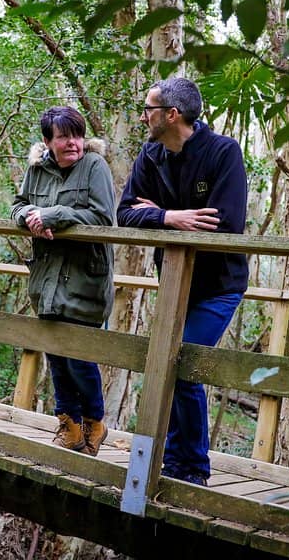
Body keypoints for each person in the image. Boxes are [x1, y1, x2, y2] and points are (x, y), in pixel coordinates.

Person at [117, 77, 248, 485]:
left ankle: (192, 468)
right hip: (175, 282)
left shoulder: (223, 152)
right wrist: (170, 217)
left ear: (171, 115)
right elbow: (125, 212)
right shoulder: (150, 154)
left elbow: (223, 223)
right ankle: (172, 460)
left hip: (219, 285)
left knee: (183, 362)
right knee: (167, 363)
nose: (143, 116)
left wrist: (163, 211)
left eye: (149, 109)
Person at [11, 106, 115, 457]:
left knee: (80, 359)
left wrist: (54, 215)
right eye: (63, 137)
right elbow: (18, 205)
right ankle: (69, 427)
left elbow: (103, 217)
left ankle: (95, 423)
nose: (72, 143)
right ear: (48, 141)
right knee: (56, 356)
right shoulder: (36, 169)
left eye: (77, 135)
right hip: (48, 279)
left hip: (85, 278)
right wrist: (28, 216)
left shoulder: (95, 166)